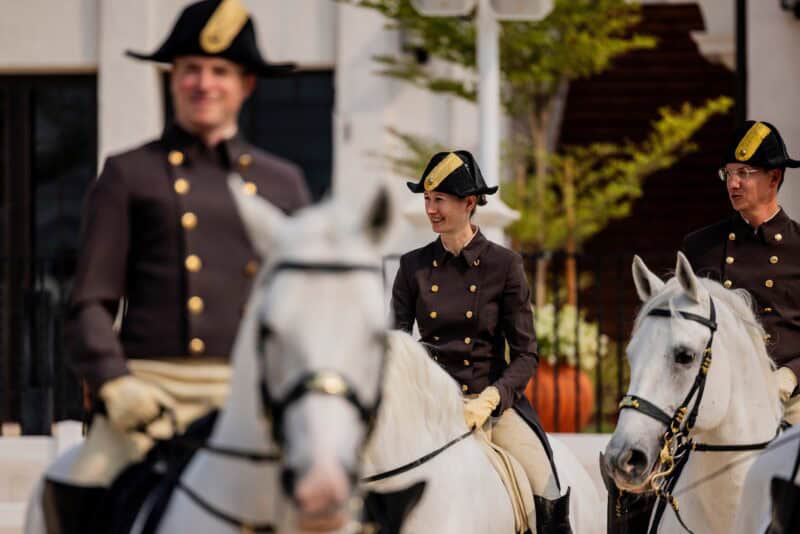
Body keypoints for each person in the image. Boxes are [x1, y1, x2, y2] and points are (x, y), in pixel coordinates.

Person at [46, 0, 311, 528]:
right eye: (191, 69)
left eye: (219, 71)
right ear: (173, 79)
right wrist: (114, 382)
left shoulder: (284, 184)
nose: (203, 83)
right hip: (149, 390)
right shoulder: (128, 174)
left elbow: (306, 305)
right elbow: (91, 302)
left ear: (245, 85)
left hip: (251, 393)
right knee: (77, 487)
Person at [390, 150, 571, 533]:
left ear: (469, 203)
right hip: (430, 404)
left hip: (492, 405)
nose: (430, 209)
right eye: (426, 199)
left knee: (547, 486)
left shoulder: (504, 265)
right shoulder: (412, 267)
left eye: (439, 199)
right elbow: (395, 345)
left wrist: (491, 398)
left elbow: (526, 355)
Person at [682, 120, 800, 418]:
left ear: (774, 178)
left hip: (791, 401)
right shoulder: (701, 246)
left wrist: (790, 375)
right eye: (728, 173)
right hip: (720, 400)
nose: (732, 184)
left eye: (744, 174)